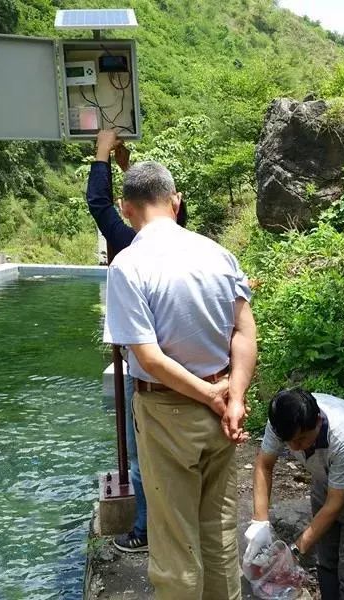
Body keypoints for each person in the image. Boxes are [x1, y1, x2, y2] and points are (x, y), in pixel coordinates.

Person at [102, 159, 257, 600]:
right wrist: (235, 398)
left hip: (168, 412)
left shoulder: (129, 266)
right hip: (225, 409)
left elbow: (147, 357)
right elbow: (244, 331)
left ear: (125, 208)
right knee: (219, 535)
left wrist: (210, 394)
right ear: (176, 201)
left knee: (174, 544)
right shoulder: (218, 254)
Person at [87, 130, 180, 552]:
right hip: (189, 368)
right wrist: (129, 168)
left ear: (129, 209)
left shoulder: (127, 246)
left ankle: (143, 530)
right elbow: (159, 201)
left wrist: (102, 154)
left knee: (141, 455)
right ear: (173, 204)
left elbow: (99, 205)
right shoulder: (188, 245)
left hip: (147, 371)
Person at [250, 388, 344, 600]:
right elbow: (264, 465)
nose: (294, 447)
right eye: (289, 442)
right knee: (326, 562)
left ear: (317, 421)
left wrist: (295, 550)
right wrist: (260, 524)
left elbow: (334, 504)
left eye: (301, 439)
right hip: (326, 481)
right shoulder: (282, 420)